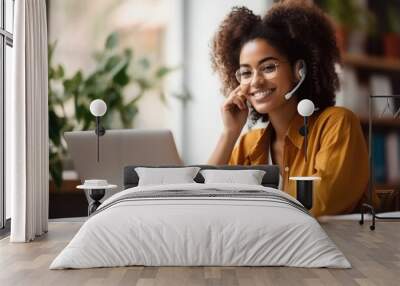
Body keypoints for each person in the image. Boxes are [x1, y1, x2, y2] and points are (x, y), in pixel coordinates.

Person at [207, 0, 379, 217]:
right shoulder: (248, 145)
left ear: (299, 69)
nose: (256, 82)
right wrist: (229, 133)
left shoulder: (336, 123)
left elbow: (321, 201)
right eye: (246, 73)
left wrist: (248, 203)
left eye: (268, 67)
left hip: (337, 248)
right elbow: (203, 200)